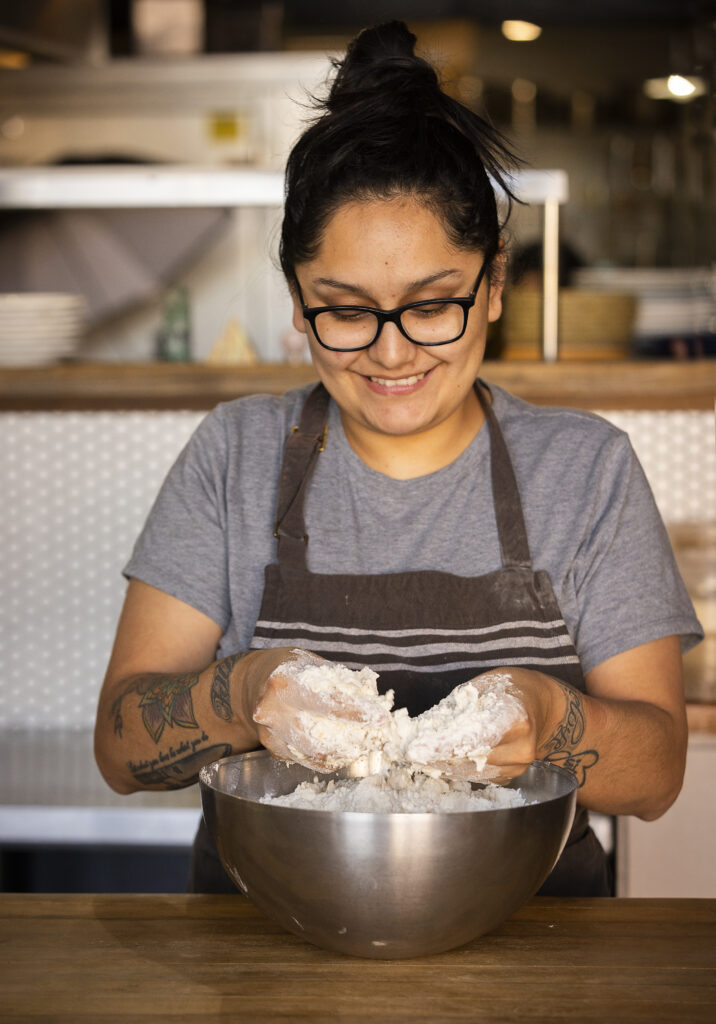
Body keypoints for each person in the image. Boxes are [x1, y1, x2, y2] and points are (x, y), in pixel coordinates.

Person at [94, 21, 702, 897]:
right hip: (263, 938)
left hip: (539, 944)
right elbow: (119, 750)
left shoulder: (585, 470)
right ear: (299, 305)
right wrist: (243, 691)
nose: (391, 353)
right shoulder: (234, 457)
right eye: (346, 310)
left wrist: (548, 716)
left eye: (431, 305)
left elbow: (658, 775)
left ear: (493, 286)